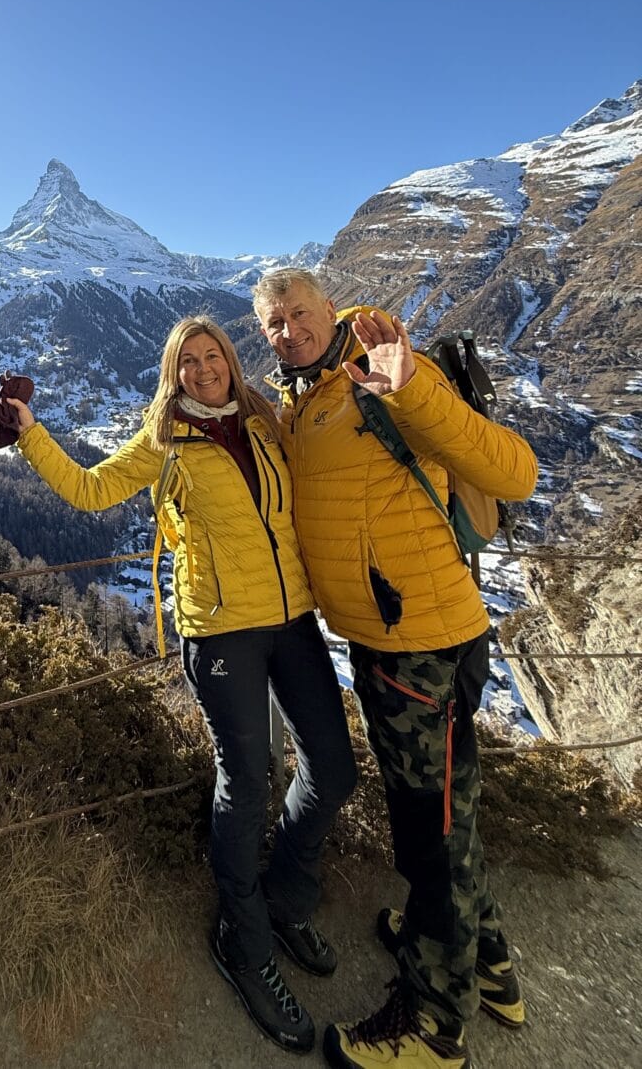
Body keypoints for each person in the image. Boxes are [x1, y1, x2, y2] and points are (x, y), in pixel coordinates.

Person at [0, 314, 357, 1056]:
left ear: (230, 359)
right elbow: (90, 490)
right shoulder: (164, 442)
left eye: (212, 355)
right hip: (220, 630)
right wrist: (32, 431)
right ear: (173, 371)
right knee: (247, 781)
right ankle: (244, 941)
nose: (202, 369)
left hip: (293, 619)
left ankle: (286, 899)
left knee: (335, 766)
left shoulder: (263, 424)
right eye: (187, 361)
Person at [252, 269, 538, 1069]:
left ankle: (433, 1025)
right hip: (392, 643)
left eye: (299, 312)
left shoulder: (387, 368)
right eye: (274, 322)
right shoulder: (306, 398)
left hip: (421, 642)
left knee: (427, 834)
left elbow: (515, 472)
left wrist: (411, 387)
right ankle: (487, 963)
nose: (289, 329)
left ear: (328, 306)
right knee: (452, 809)